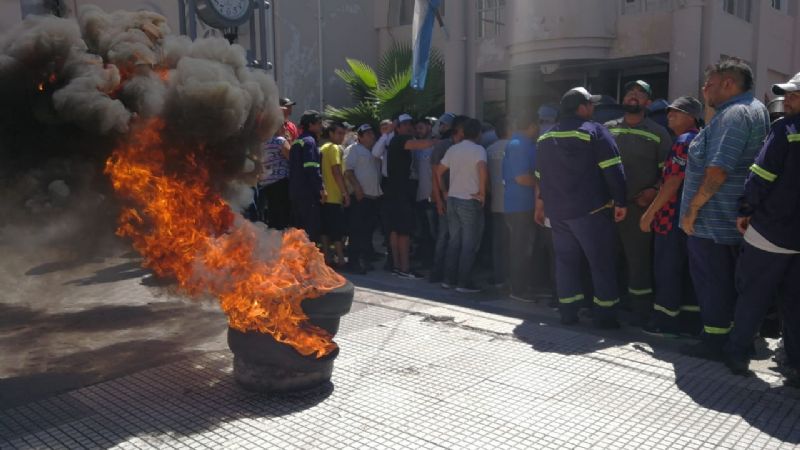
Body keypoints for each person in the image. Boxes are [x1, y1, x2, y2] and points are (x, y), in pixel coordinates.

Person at [679, 58, 770, 360]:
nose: (705, 90)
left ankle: (715, 341)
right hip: (731, 220)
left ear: (729, 84)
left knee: (713, 283)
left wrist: (692, 210)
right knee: (729, 284)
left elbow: (718, 171)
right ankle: (735, 337)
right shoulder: (754, 109)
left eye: (709, 85)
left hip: (713, 223)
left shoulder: (734, 115)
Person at [723, 73, 800, 381]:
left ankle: (738, 353)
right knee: (795, 304)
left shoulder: (786, 129)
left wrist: (745, 208)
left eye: (795, 95)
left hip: (771, 232)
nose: (789, 100)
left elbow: (762, 175)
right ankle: (794, 365)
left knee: (753, 295)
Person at [536, 87, 627, 328]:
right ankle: (605, 317)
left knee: (565, 263)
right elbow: (613, 169)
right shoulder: (595, 132)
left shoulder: (545, 139)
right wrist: (621, 201)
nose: (593, 109)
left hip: (558, 214)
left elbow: (540, 176)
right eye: (591, 104)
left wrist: (543, 204)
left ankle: (568, 312)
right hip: (591, 212)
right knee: (601, 264)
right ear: (581, 107)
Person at [605, 80, 673, 324]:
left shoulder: (658, 133)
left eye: (640, 93)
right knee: (606, 259)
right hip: (607, 208)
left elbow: (668, 174)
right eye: (629, 92)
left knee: (639, 263)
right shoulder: (606, 129)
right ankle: (606, 306)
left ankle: (640, 312)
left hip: (638, 209)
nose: (633, 95)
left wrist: (653, 192)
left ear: (648, 103)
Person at [639, 96, 703, 337]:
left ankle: (665, 322)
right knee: (686, 270)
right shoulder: (698, 139)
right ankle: (689, 320)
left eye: (676, 112)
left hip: (671, 216)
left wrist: (649, 213)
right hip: (687, 215)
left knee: (667, 268)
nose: (669, 116)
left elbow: (672, 182)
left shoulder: (684, 141)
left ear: (691, 116)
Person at [437, 118, 488, 293]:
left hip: (452, 198)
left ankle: (448, 280)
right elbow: (482, 168)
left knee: (454, 241)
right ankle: (463, 282)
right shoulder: (479, 150)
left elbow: (439, 171)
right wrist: (482, 192)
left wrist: (444, 191)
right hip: (469, 200)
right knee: (469, 243)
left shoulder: (453, 149)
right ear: (479, 133)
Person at [386, 114, 438, 278]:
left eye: (410, 124)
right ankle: (405, 269)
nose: (409, 127)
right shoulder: (399, 140)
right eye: (405, 124)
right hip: (400, 193)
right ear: (398, 127)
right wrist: (440, 141)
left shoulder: (395, 141)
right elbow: (422, 144)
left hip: (394, 192)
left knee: (395, 231)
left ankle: (396, 266)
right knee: (404, 232)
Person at [502, 113, 538, 301]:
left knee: (522, 247)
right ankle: (518, 290)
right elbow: (521, 178)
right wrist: (544, 183)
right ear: (531, 126)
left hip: (523, 204)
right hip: (519, 205)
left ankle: (522, 286)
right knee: (520, 248)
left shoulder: (521, 144)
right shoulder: (518, 145)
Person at [344, 124, 382, 274]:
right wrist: (357, 188)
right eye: (367, 134)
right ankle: (354, 262)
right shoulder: (354, 149)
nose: (372, 136)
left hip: (373, 197)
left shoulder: (373, 151)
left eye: (372, 133)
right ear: (360, 137)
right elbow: (348, 171)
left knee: (367, 231)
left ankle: (365, 260)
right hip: (360, 197)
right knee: (357, 231)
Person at [428, 112, 459, 282]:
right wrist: (439, 198)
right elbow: (435, 173)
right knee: (443, 235)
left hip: (450, 196)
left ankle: (447, 272)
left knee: (449, 236)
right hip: (444, 196)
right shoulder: (441, 146)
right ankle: (438, 271)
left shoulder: (449, 145)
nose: (441, 127)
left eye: (444, 125)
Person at [288, 110, 326, 243]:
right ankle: (309, 262)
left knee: (300, 231)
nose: (322, 126)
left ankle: (300, 261)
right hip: (307, 194)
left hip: (295, 193)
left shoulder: (297, 142)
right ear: (311, 125)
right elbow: (312, 168)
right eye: (319, 123)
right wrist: (320, 189)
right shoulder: (310, 142)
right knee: (311, 232)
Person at [319, 121, 351, 268]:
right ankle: (340, 259)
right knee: (337, 230)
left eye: (343, 133)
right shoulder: (334, 148)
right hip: (334, 195)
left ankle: (327, 257)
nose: (342, 136)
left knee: (325, 229)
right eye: (339, 133)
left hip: (324, 196)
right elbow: (336, 171)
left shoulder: (323, 147)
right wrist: (345, 193)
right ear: (331, 133)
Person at [486, 117, 510, 290]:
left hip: (495, 202)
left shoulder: (489, 150)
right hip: (515, 204)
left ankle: (499, 276)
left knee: (498, 243)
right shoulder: (515, 147)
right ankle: (516, 278)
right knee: (516, 243)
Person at [257, 124, 291, 229]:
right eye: (283, 126)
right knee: (282, 214)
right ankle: (281, 239)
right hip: (281, 182)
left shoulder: (262, 143)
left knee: (273, 212)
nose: (285, 129)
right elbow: (291, 156)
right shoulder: (280, 141)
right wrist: (288, 140)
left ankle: (273, 238)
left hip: (267, 182)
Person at [413, 117, 437, 266]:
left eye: (421, 127)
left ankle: (433, 260)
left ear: (429, 127)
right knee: (423, 229)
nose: (418, 131)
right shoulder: (415, 146)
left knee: (433, 230)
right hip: (419, 195)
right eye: (417, 128)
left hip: (432, 195)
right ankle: (424, 258)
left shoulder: (435, 145)